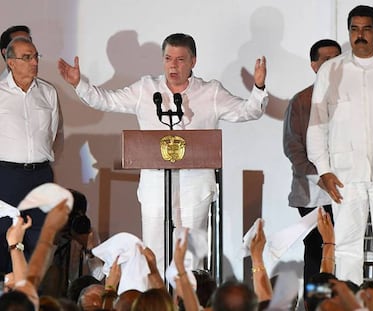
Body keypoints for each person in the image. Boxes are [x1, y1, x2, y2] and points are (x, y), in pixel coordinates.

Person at [58, 32, 268, 274]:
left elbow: (247, 111)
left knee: (190, 257)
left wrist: (258, 88)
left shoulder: (210, 92)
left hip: (195, 183)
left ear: (193, 62)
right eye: (168, 58)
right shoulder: (146, 89)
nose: (173, 65)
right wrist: (79, 84)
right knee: (154, 253)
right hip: (155, 182)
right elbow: (106, 100)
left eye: (180, 59)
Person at [307, 5, 373, 309]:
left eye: (367, 29)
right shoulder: (332, 70)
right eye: (354, 29)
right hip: (344, 174)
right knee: (346, 248)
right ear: (349, 32)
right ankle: (349, 307)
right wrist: (324, 169)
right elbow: (317, 122)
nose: (360, 36)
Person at [0, 36, 63, 275]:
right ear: (11, 62)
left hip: (40, 176)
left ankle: (30, 295)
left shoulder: (48, 92)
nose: (34, 62)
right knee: (5, 235)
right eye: (27, 57)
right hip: (6, 176)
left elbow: (53, 132)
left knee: (38, 239)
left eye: (36, 56)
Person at [283, 39, 341, 296]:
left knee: (344, 247)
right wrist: (319, 174)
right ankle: (313, 302)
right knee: (316, 247)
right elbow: (293, 147)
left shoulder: (352, 97)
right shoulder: (301, 100)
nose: (333, 65)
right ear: (314, 65)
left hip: (346, 186)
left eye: (337, 59)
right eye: (326, 60)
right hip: (313, 189)